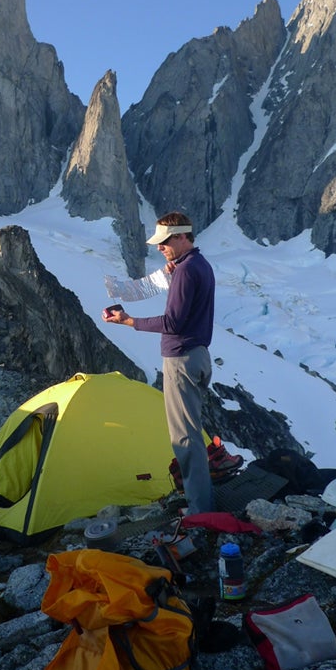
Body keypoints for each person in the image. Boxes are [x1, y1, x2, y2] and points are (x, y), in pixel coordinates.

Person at [102, 211, 215, 513]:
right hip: (197, 355)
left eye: (164, 242)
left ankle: (199, 511)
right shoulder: (198, 265)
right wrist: (173, 271)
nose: (159, 247)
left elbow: (173, 321)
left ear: (181, 236)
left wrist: (129, 321)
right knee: (190, 431)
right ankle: (200, 502)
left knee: (185, 439)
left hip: (182, 359)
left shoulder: (187, 271)